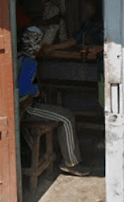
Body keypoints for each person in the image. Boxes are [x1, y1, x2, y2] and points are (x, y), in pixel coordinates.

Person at [18, 26, 91, 177]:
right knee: (67, 117)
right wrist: (36, 89)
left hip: (20, 107)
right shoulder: (29, 62)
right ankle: (72, 164)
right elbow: (24, 89)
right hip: (26, 107)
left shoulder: (18, 56)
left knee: (62, 113)